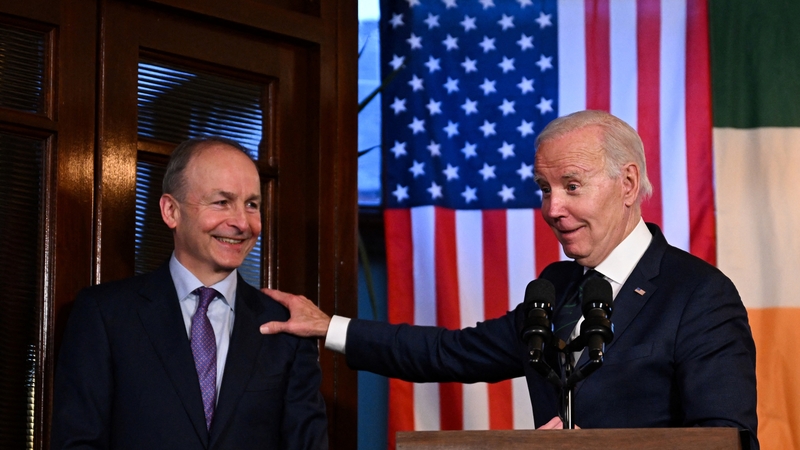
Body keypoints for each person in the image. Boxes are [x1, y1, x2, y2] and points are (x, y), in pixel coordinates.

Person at [259, 110, 758, 448]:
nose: (552, 209)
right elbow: (449, 351)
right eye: (544, 189)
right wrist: (330, 328)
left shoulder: (699, 295)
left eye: (571, 187)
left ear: (627, 184)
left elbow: (727, 439)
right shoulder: (558, 289)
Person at [51, 137, 328, 449]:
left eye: (252, 204)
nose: (241, 222)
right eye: (222, 202)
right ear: (171, 211)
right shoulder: (105, 314)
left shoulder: (286, 328)